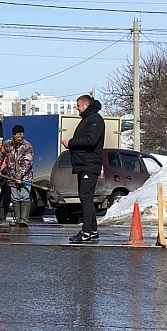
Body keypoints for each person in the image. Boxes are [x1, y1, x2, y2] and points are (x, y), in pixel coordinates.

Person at [62, 95, 105, 243]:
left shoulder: (95, 119)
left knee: (86, 197)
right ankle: (91, 230)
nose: (77, 108)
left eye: (78, 105)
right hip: (83, 164)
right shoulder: (88, 119)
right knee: (85, 197)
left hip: (89, 164)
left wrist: (71, 142)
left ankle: (87, 231)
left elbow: (91, 141)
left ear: (85, 105)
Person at [0, 125, 33, 227]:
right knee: (15, 198)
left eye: (22, 134)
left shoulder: (27, 146)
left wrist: (19, 177)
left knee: (24, 197)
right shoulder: (7, 145)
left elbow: (27, 163)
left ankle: (24, 219)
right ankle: (17, 219)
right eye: (18, 135)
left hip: (25, 178)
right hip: (11, 177)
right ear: (13, 135)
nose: (20, 137)